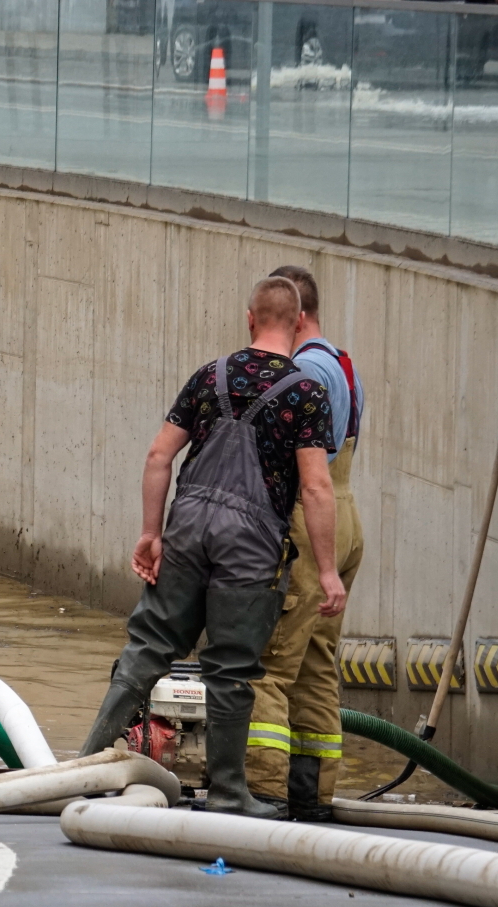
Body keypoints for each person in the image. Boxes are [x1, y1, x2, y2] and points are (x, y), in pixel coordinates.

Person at [78, 276, 345, 819]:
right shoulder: (306, 392)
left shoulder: (210, 376)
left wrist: (151, 533)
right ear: (297, 325)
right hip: (250, 542)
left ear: (249, 318)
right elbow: (316, 487)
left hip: (190, 525)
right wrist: (328, 570)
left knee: (149, 646)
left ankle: (83, 768)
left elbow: (159, 457)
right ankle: (228, 793)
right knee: (230, 668)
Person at [245, 265, 366, 820]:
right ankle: (312, 798)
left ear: (296, 317)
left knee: (267, 663)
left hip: (308, 520)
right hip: (345, 520)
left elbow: (308, 473)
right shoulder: (344, 364)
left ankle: (264, 795)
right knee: (316, 665)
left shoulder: (305, 371)